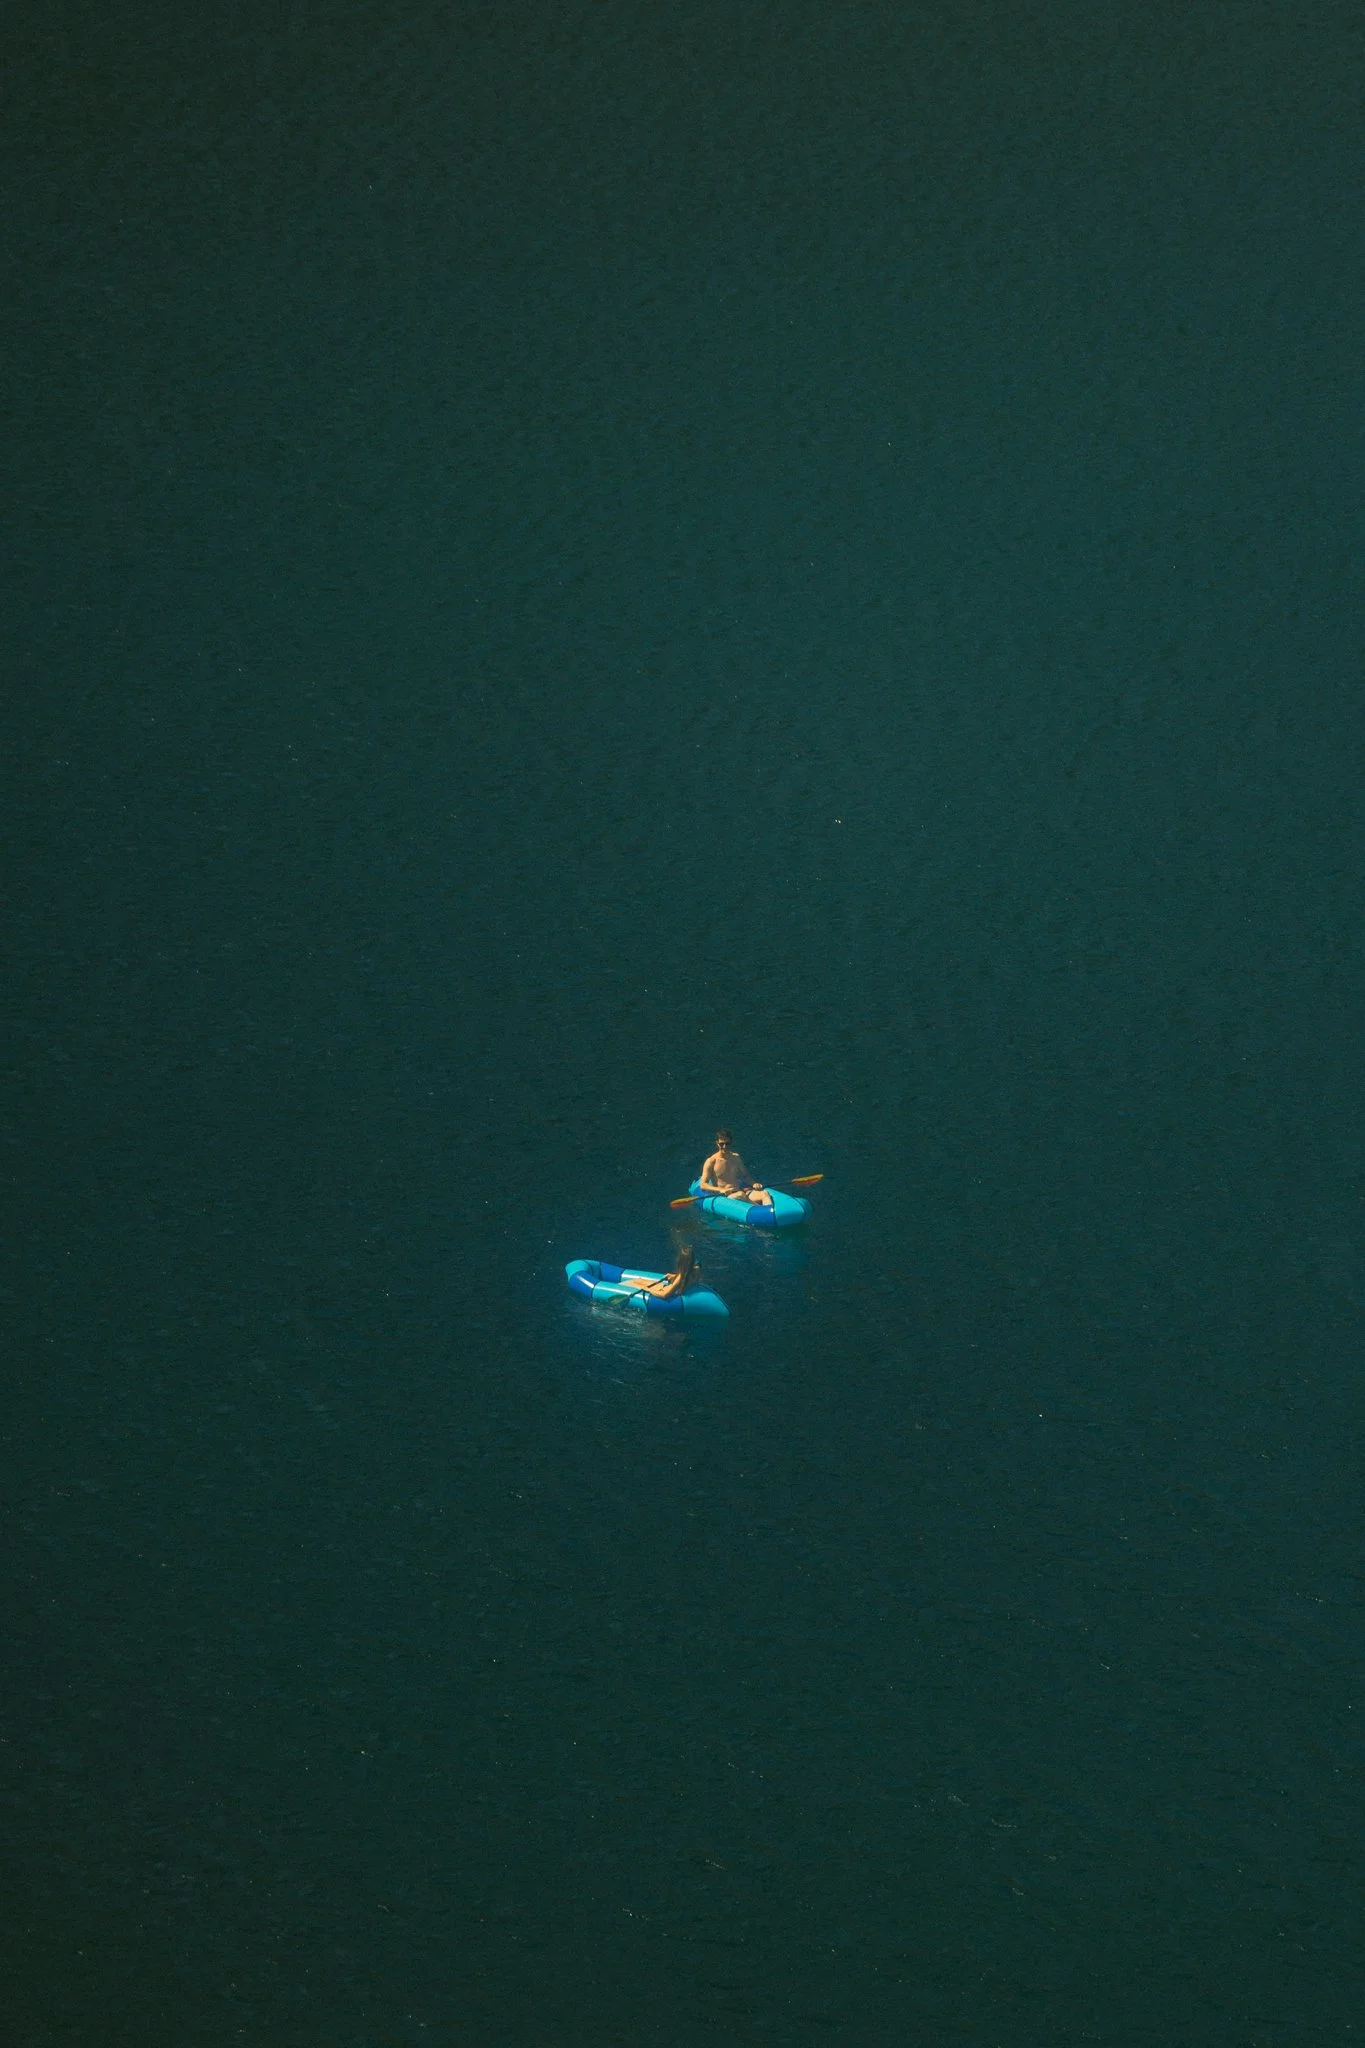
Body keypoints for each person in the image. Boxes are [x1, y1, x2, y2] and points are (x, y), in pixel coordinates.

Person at [698, 1129, 774, 1208]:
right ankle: (761, 1210)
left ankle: (769, 1212)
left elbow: (745, 1176)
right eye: (721, 1144)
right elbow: (703, 1185)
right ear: (717, 1143)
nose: (724, 1147)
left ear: (731, 1143)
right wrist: (721, 1190)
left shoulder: (736, 1157)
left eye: (727, 1144)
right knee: (740, 1195)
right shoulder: (711, 1161)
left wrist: (753, 1183)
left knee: (765, 1193)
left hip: (739, 1192)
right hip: (725, 1197)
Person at [629, 1243, 700, 1300]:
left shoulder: (680, 1279)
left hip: (671, 1292)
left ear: (681, 1262)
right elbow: (686, 1274)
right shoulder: (695, 1270)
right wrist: (674, 1276)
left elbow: (664, 1295)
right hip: (676, 1289)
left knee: (637, 1282)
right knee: (640, 1280)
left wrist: (647, 1289)